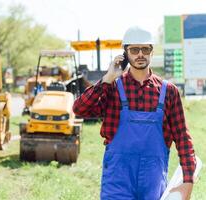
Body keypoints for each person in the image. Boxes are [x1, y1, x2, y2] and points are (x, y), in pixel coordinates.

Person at [73, 26, 196, 200]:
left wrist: (188, 180)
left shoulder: (169, 91)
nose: (140, 54)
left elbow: (183, 138)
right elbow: (79, 109)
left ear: (151, 52)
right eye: (134, 49)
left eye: (145, 49)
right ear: (125, 53)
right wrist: (107, 78)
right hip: (117, 180)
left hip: (153, 182)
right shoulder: (112, 87)